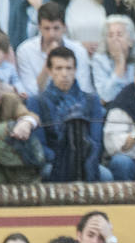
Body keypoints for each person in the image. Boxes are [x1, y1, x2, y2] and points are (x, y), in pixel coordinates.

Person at [28, 45, 106, 182]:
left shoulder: (91, 100)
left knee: (107, 176)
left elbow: (96, 141)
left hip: (86, 159)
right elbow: (38, 144)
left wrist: (81, 160)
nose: (64, 74)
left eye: (69, 68)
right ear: (50, 71)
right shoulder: (36, 101)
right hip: (53, 162)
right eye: (59, 68)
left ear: (75, 70)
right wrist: (64, 160)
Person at [15, 1, 95, 97]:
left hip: (73, 104)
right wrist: (48, 63)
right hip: (39, 107)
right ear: (39, 28)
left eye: (56, 28)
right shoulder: (25, 51)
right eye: (47, 28)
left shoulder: (78, 50)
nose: (51, 34)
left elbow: (84, 88)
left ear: (64, 28)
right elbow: (31, 93)